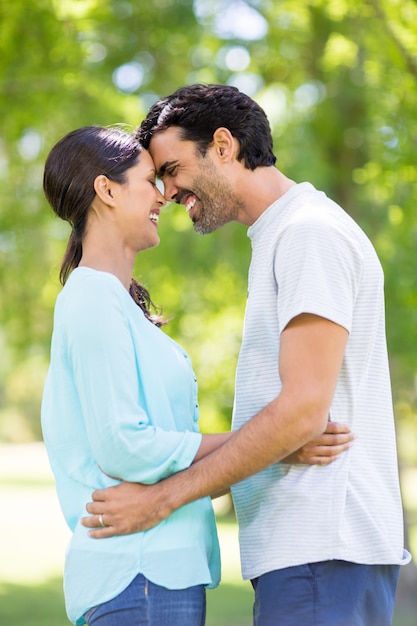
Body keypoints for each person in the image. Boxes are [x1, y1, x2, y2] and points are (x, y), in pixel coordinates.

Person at [81, 85, 411, 625]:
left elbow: (303, 412)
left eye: (172, 169)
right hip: (311, 558)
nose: (166, 192)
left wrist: (162, 498)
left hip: (322, 552)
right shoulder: (284, 234)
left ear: (223, 145)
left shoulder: (307, 234)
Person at [41, 124, 351, 626]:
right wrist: (273, 444)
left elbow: (162, 453)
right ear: (106, 189)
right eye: (149, 180)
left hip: (159, 575)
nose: (164, 195)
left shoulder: (120, 306)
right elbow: (125, 447)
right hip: (136, 574)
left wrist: (263, 450)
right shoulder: (92, 298)